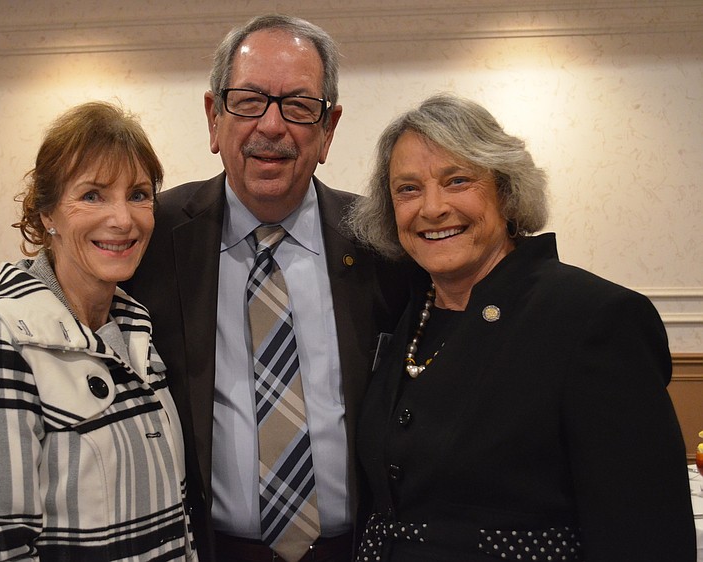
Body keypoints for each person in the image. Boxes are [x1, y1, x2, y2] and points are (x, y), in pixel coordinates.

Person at [347, 93, 697, 561]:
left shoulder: (594, 319)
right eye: (407, 189)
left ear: (507, 192)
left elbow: (647, 535)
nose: (431, 208)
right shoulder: (407, 313)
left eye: (457, 181)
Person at [121, 14, 409, 562]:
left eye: (299, 106)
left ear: (328, 129)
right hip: (205, 550)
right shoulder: (152, 236)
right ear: (213, 117)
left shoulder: (383, 242)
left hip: (357, 551)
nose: (272, 127)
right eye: (249, 100)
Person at [0, 101, 197, 561]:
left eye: (138, 194)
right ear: (47, 213)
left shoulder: (138, 335)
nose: (123, 219)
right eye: (93, 195)